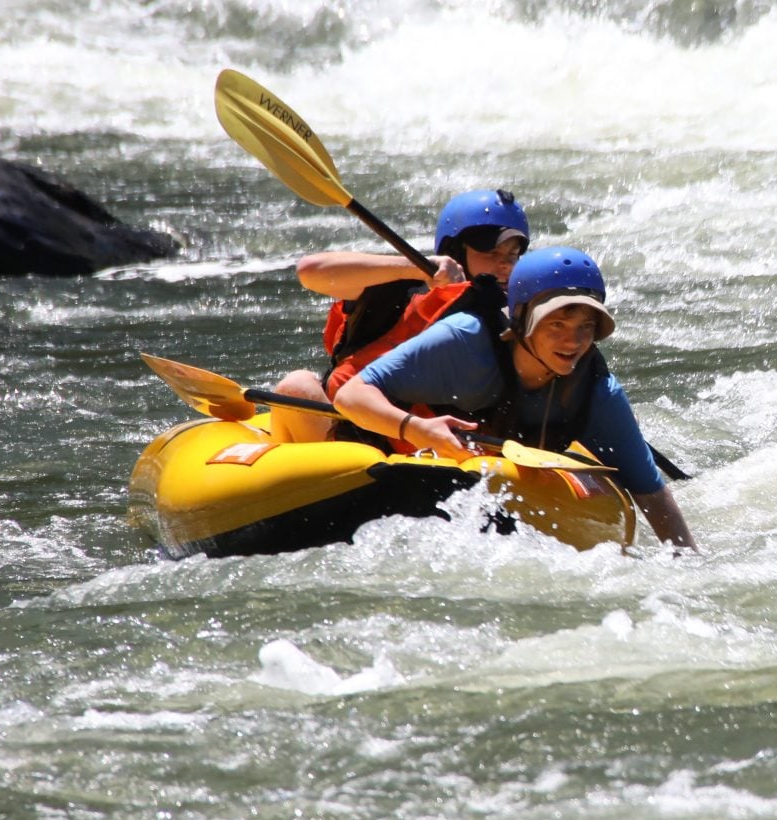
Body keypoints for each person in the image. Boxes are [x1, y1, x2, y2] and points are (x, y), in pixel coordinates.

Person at [333, 246, 697, 551]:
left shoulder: (596, 390)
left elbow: (651, 494)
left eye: (586, 327)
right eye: (557, 325)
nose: (573, 342)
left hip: (492, 480)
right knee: (302, 388)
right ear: (522, 319)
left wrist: (688, 565)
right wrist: (416, 429)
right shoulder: (464, 342)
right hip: (392, 452)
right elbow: (351, 395)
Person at [267, 190, 529, 444]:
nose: (504, 265)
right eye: (490, 253)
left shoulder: (520, 311)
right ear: (455, 250)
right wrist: (414, 267)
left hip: (447, 441)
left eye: (511, 255)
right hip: (358, 433)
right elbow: (310, 271)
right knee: (297, 387)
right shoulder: (402, 287)